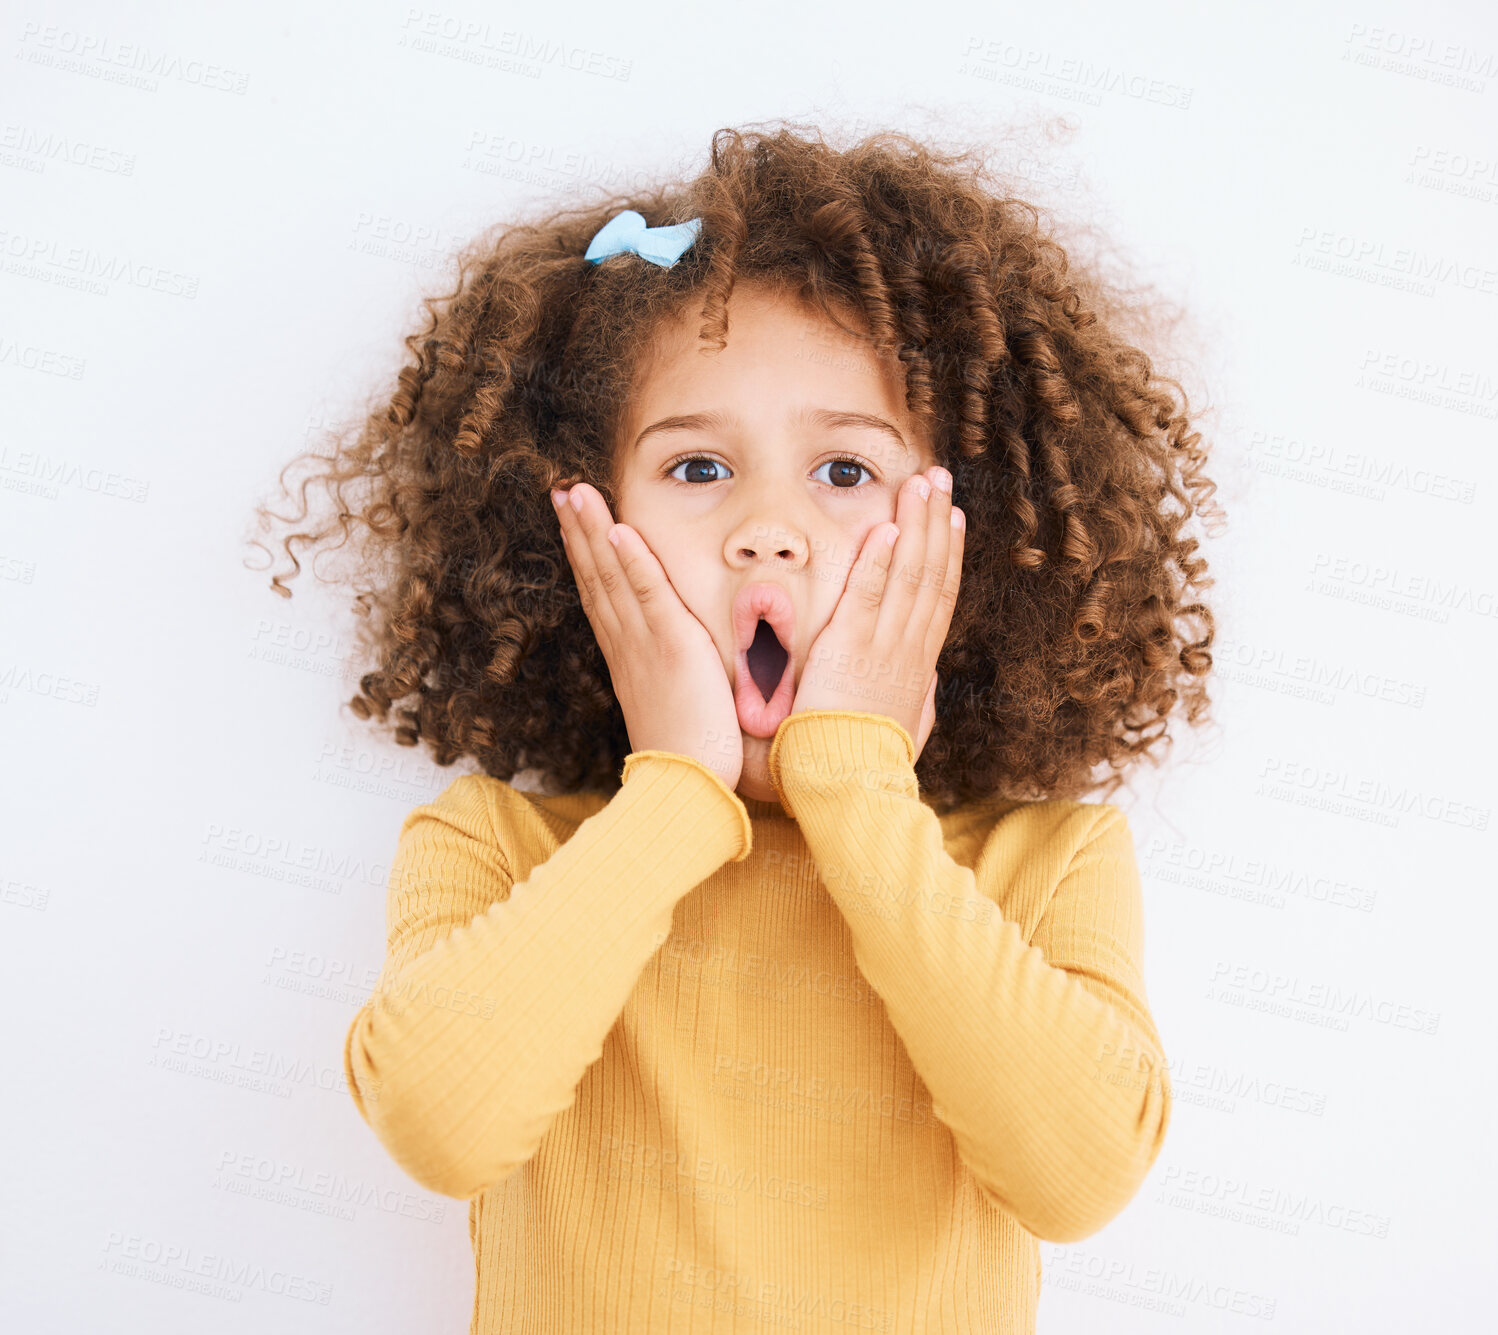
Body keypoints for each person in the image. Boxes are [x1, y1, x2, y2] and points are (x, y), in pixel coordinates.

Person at [250, 122, 1220, 1334]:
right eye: (699, 470)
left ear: (965, 529)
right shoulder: (500, 847)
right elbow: (441, 1128)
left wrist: (856, 783)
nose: (770, 531)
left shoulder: (1040, 862)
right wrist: (674, 791)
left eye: (846, 472)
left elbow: (1076, 1178)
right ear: (582, 527)